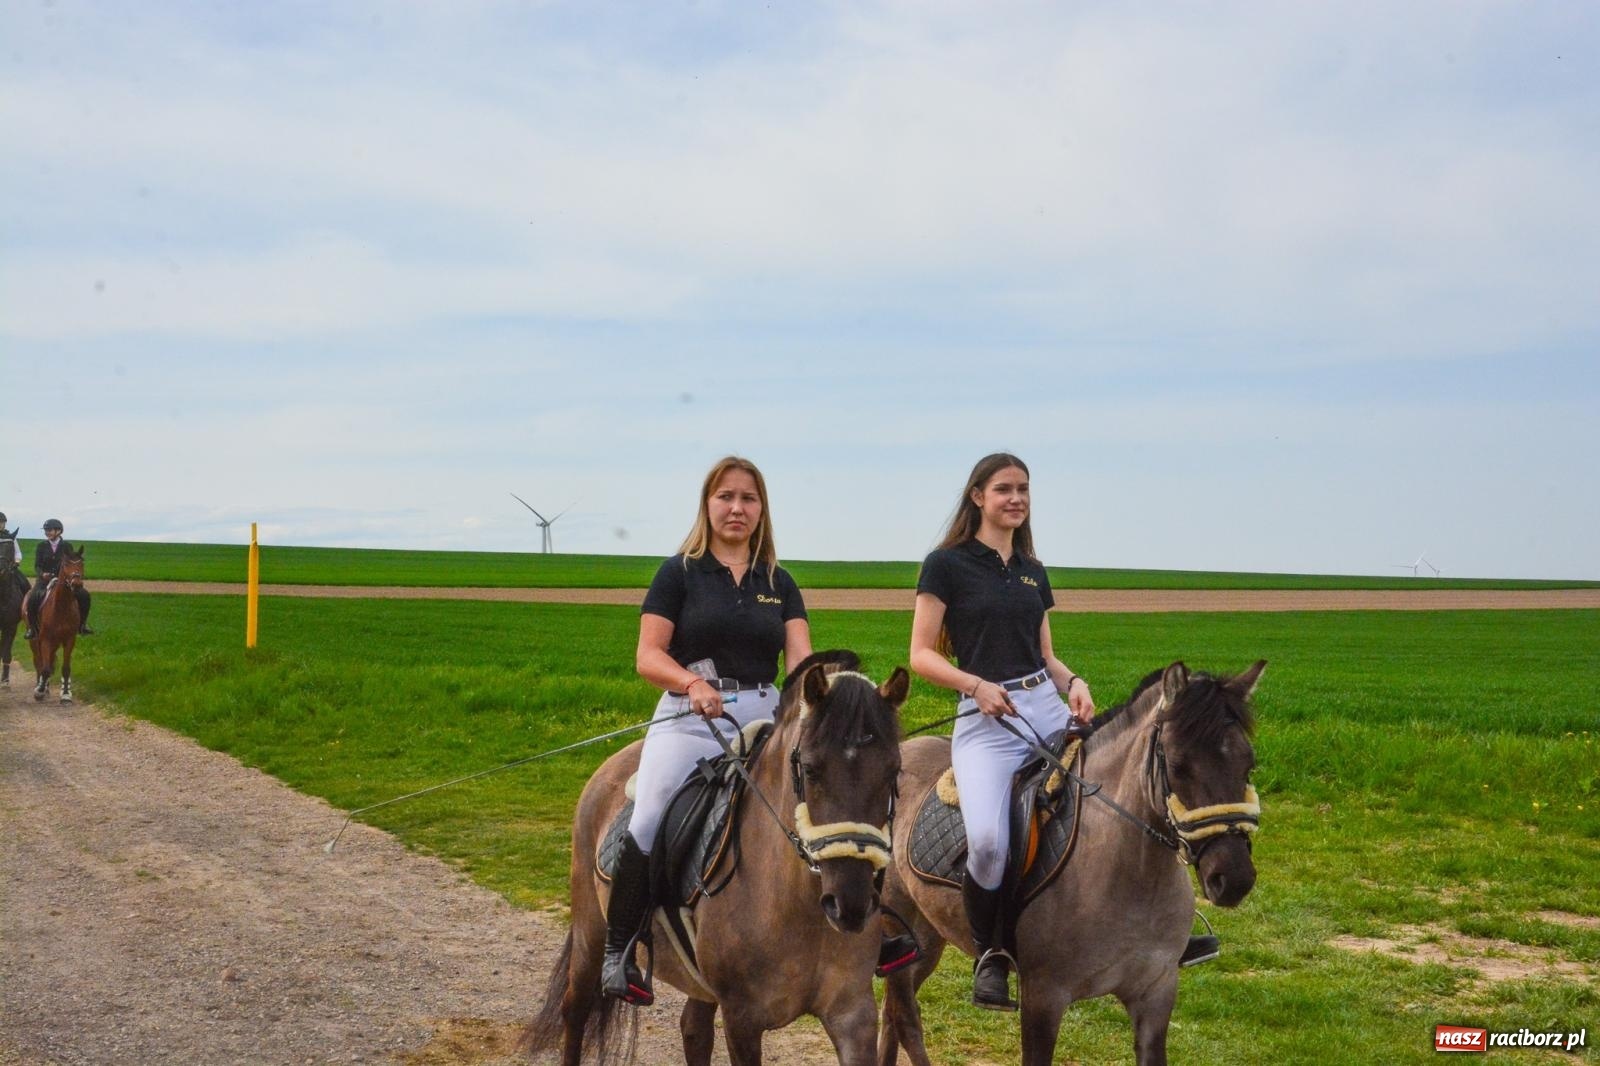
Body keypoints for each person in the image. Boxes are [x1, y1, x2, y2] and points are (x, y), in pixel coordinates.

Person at [909, 454, 1222, 1011]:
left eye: (1024, 489)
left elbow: (1045, 654)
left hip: (1045, 704)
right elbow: (921, 656)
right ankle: (992, 954)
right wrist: (977, 686)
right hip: (986, 720)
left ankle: (1168, 927)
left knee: (1129, 794)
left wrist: (1072, 680)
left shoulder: (1032, 568)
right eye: (1004, 489)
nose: (1016, 498)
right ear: (977, 496)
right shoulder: (945, 565)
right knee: (986, 844)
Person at [602, 456, 812, 1006]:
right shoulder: (679, 573)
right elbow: (648, 656)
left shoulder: (779, 582)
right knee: (648, 813)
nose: (737, 508)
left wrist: (823, 698)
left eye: (748, 498)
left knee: (823, 796)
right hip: (690, 716)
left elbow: (801, 662)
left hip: (765, 716)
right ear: (708, 504)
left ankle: (859, 929)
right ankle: (621, 949)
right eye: (726, 497)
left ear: (762, 509)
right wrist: (689, 684)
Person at [25, 519, 92, 639]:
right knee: (33, 597)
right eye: (46, 530)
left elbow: (71, 564)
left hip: (63, 581)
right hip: (44, 581)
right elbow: (37, 565)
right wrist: (42, 574)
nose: (47, 532)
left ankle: (82, 625)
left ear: (59, 531)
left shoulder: (67, 546)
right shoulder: (41, 546)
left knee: (85, 595)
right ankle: (32, 628)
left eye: (50, 530)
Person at [0, 512, 29, 601]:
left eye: (1, 522)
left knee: (24, 583)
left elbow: (18, 553)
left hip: (9, 568)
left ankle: (27, 608)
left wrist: (16, 562)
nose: (0, 524)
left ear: (5, 524)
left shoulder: (10, 537)